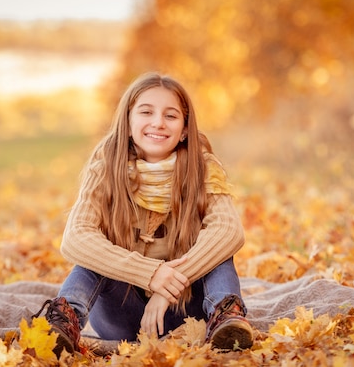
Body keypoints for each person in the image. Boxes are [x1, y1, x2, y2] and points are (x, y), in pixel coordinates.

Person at [33, 72, 254, 356]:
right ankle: (65, 322)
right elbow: (75, 238)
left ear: (185, 129)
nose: (158, 123)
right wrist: (150, 274)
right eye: (146, 112)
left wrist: (166, 286)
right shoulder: (105, 170)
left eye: (171, 116)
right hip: (121, 315)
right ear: (127, 123)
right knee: (92, 256)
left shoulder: (203, 169)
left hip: (191, 313)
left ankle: (227, 317)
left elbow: (228, 231)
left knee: (218, 249)